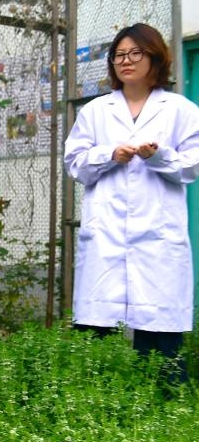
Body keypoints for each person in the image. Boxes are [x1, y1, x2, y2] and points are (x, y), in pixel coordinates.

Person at [64, 23, 199, 386]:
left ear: (155, 57)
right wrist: (110, 154)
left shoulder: (180, 110)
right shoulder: (95, 111)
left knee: (159, 338)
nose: (126, 61)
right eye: (119, 55)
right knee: (94, 333)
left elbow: (193, 164)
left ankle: (165, 411)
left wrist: (159, 156)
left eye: (135, 53)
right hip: (106, 236)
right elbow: (74, 163)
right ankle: (90, 406)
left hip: (157, 238)